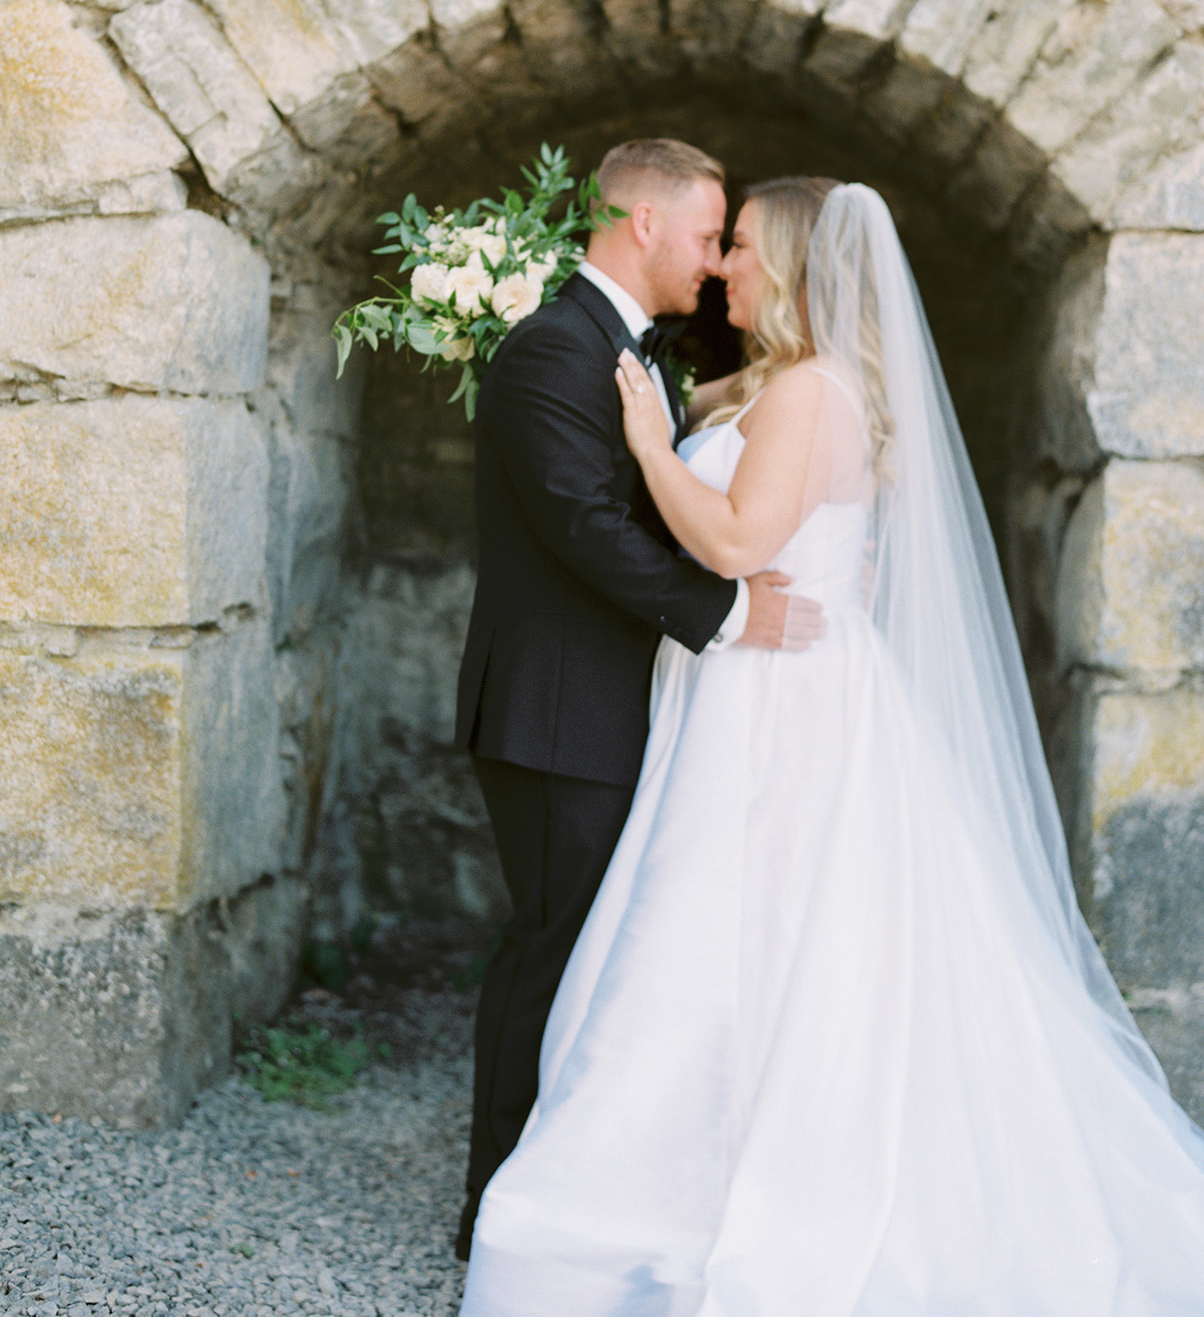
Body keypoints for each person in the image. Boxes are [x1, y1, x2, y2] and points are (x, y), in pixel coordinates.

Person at [459, 178, 1204, 1314]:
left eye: (743, 248)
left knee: (754, 936)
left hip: (779, 697)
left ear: (798, 269)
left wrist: (655, 450)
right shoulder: (777, 384)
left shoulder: (811, 388)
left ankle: (728, 1181)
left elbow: (736, 538)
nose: (722, 270)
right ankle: (700, 1156)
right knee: (744, 940)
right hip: (748, 686)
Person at [452, 140, 823, 1260]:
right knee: (552, 949)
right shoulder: (551, 350)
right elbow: (585, 527)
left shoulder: (626, 348)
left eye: (731, 245)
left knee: (598, 952)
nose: (715, 266)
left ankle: (579, 1178)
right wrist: (723, 616)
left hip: (616, 708)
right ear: (646, 224)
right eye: (709, 237)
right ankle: (499, 1202)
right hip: (560, 711)